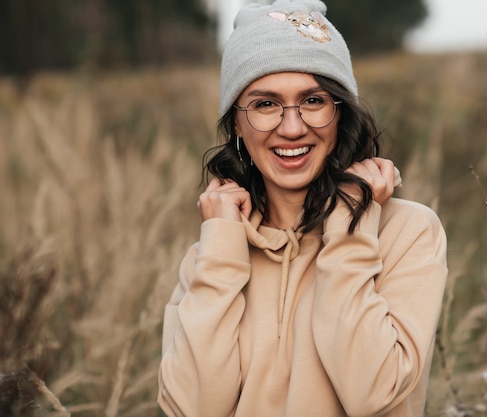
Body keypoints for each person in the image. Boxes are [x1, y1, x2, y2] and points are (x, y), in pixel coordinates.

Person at [157, 0, 448, 415]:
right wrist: (221, 252)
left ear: (340, 113)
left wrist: (350, 230)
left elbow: (374, 395)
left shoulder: (406, 232)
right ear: (236, 124)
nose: (292, 127)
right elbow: (191, 410)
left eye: (313, 100)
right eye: (264, 104)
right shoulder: (210, 256)